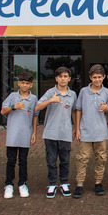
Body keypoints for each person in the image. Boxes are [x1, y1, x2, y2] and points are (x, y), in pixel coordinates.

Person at [35, 66, 77, 198]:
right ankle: (52, 184)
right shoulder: (50, 92)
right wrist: (50, 100)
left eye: (65, 76)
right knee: (51, 160)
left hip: (65, 133)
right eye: (60, 76)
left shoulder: (73, 94)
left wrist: (76, 127)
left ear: (69, 79)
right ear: (56, 78)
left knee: (65, 160)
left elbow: (75, 111)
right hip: (51, 133)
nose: (63, 79)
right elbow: (37, 107)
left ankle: (64, 183)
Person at [73, 64, 108, 198]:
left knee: (101, 158)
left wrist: (107, 109)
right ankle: (79, 184)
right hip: (85, 131)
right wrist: (77, 129)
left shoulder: (106, 92)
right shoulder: (83, 91)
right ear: (90, 77)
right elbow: (78, 110)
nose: (97, 80)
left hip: (101, 132)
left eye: (99, 77)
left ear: (104, 77)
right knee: (82, 159)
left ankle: (98, 182)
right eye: (94, 77)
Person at [0, 72, 38, 199]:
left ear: (31, 85)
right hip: (12, 135)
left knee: (23, 161)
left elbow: (34, 116)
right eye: (22, 83)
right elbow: (2, 111)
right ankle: (9, 184)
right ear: (18, 83)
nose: (25, 85)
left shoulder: (33, 99)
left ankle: (22, 184)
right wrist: (14, 107)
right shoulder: (12, 96)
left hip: (25, 134)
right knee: (11, 161)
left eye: (27, 83)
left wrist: (34, 132)